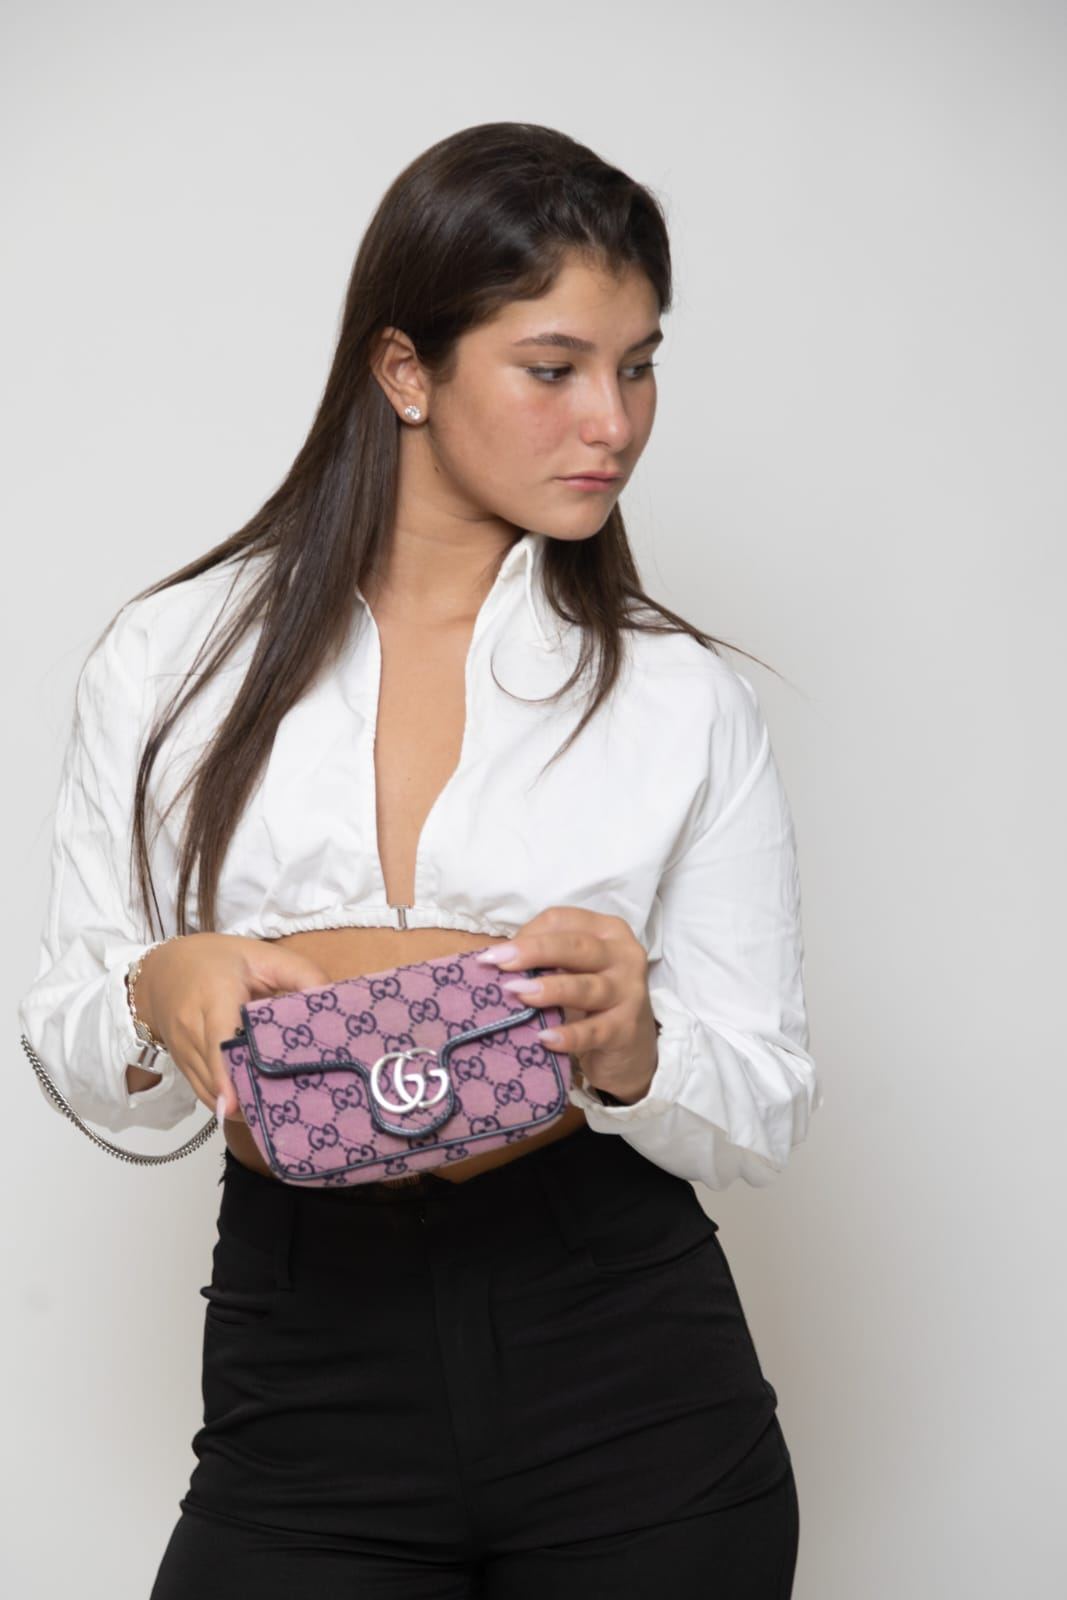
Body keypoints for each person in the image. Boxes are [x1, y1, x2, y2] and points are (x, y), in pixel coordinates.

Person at [18, 121, 822, 1597]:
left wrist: (638, 1046)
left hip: (625, 1365)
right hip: (304, 1355)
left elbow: (764, 1105)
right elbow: (72, 1039)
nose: (615, 422)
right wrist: (153, 988)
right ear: (406, 371)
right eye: (554, 367)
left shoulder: (680, 698)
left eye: (640, 366)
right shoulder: (172, 661)